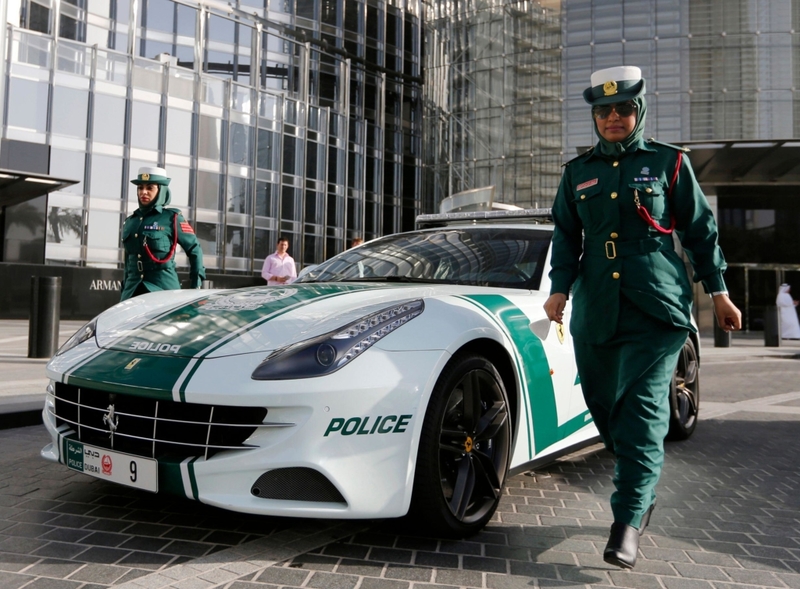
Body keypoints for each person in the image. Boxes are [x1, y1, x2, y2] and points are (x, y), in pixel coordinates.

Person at [543, 66, 742, 570]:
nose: (614, 117)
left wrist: (717, 292)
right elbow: (567, 237)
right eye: (604, 110)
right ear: (594, 116)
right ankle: (641, 480)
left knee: (640, 416)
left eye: (624, 108)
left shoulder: (669, 163)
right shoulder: (576, 172)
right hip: (597, 310)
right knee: (604, 407)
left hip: (657, 307)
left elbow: (700, 231)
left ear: (640, 111)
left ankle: (628, 519)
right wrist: (559, 290)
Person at [121, 166, 205, 301]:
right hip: (132, 291)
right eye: (140, 188)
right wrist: (124, 289)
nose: (143, 192)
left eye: (149, 188)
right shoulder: (131, 222)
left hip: (163, 289)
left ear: (161, 190)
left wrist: (196, 285)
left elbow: (194, 249)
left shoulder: (172, 218)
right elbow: (128, 261)